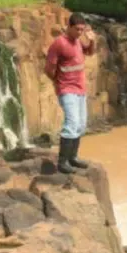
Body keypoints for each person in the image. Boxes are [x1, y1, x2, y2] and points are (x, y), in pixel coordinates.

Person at [44, 12, 96, 173]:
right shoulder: (59, 44)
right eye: (77, 29)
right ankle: (63, 162)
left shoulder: (78, 42)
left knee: (80, 125)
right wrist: (58, 83)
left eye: (82, 30)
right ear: (69, 27)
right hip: (67, 90)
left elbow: (90, 52)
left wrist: (92, 39)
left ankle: (73, 158)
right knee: (71, 124)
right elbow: (48, 69)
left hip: (80, 89)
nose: (80, 33)